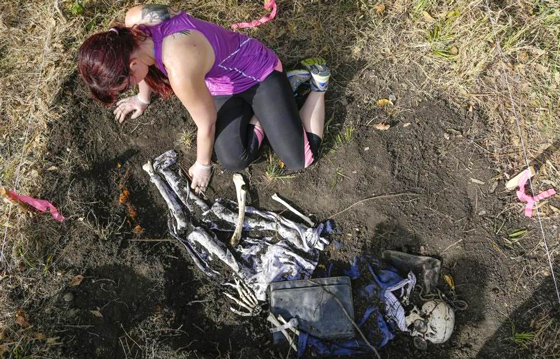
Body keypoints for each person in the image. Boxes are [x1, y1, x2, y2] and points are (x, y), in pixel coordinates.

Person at [78, 4, 330, 194]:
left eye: (126, 85)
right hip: (221, 83)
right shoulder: (135, 22)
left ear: (132, 65)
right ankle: (266, 112)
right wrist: (142, 100)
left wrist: (202, 165)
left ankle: (315, 86)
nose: (129, 87)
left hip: (258, 72)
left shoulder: (180, 68)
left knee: (300, 160)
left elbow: (206, 122)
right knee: (233, 159)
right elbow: (143, 65)